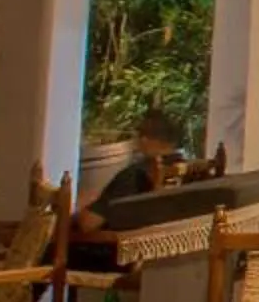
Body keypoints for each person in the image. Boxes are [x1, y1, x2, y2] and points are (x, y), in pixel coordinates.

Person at [70, 110, 185, 271]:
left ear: (144, 139)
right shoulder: (185, 171)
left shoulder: (136, 175)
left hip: (121, 254)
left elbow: (87, 224)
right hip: (165, 258)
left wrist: (77, 210)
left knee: (51, 248)